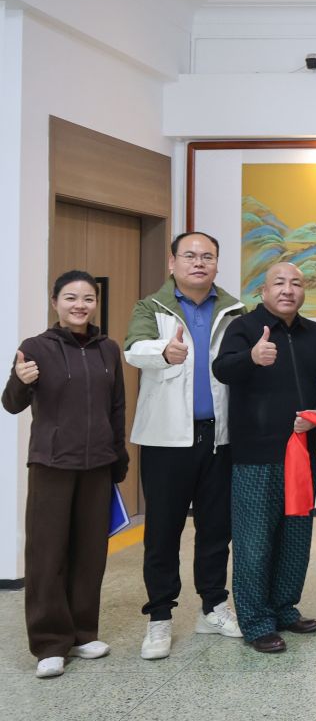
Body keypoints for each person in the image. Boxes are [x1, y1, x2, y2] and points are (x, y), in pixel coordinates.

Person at [123, 231, 245, 660]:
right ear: (172, 262)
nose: (199, 262)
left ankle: (213, 607)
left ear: (217, 264)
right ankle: (159, 617)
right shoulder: (150, 307)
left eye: (207, 256)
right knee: (162, 532)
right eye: (190, 255)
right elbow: (133, 349)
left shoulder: (234, 310)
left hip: (219, 437)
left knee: (216, 529)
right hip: (166, 439)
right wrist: (163, 352)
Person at [4, 270, 129, 679]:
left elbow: (116, 407)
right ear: (55, 301)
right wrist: (20, 382)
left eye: (88, 298)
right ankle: (49, 643)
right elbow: (11, 403)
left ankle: (82, 633)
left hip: (97, 466)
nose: (80, 305)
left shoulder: (108, 349)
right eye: (71, 297)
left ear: (96, 303)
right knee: (47, 554)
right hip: (52, 464)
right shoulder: (35, 347)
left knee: (90, 554)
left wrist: (118, 456)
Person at [212, 262, 316, 654]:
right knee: (254, 542)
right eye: (279, 283)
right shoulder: (244, 328)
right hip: (255, 455)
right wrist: (251, 357)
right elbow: (222, 369)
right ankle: (256, 621)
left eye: (296, 283)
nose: (288, 290)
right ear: (263, 291)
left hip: (303, 453)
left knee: (296, 537)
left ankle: (284, 608)